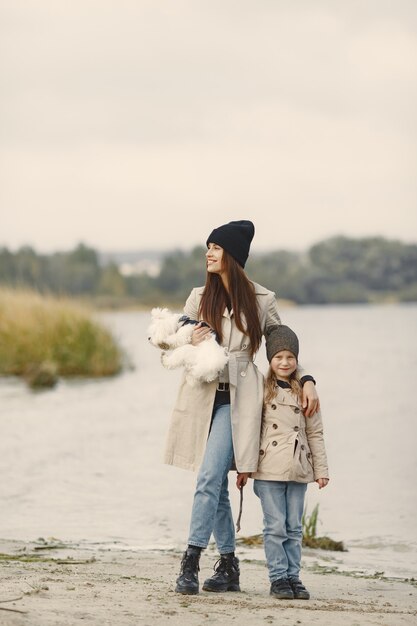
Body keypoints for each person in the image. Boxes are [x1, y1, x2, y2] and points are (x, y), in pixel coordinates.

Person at [162, 220, 320, 595]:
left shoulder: (262, 300)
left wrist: (307, 379)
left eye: (215, 248)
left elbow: (284, 348)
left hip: (239, 399)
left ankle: (191, 561)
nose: (209, 253)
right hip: (200, 396)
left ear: (231, 255)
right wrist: (188, 335)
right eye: (208, 247)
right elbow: (167, 343)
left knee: (208, 478)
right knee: (213, 483)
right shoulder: (198, 297)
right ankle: (229, 565)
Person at [237, 325, 329, 600]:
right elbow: (249, 429)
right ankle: (278, 578)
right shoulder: (261, 391)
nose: (285, 362)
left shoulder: (306, 392)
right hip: (267, 470)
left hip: (299, 468)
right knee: (275, 526)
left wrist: (321, 470)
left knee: (293, 527)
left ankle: (294, 577)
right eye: (279, 357)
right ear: (270, 360)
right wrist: (244, 466)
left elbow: (315, 433)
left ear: (297, 359)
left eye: (290, 357)